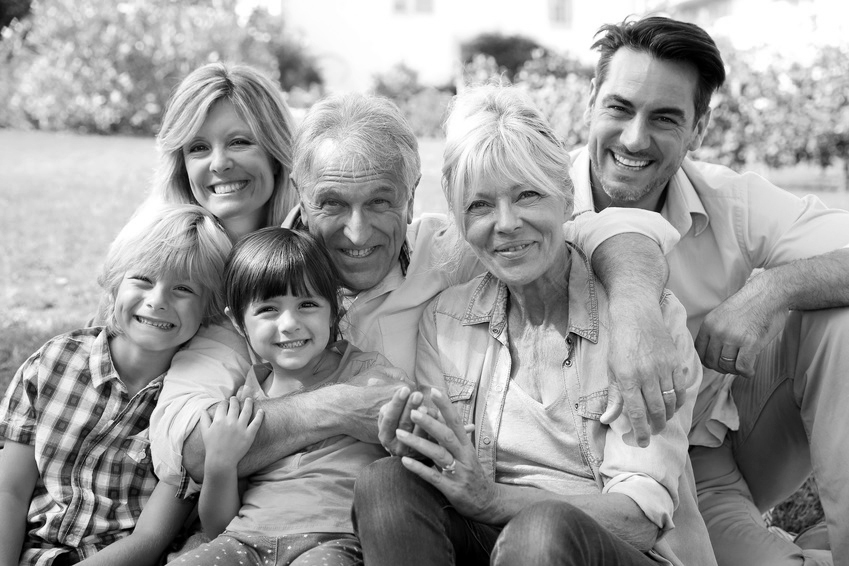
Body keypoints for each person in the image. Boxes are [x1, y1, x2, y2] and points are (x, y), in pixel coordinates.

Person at [352, 84, 713, 566]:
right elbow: (453, 476)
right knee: (386, 482)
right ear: (458, 219)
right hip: (494, 541)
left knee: (542, 533)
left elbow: (639, 519)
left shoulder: (643, 324)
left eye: (527, 195)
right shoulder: (447, 320)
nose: (506, 223)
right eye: (480, 205)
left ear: (566, 197)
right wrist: (419, 451)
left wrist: (492, 501)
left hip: (611, 550)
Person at [569, 16, 849, 565]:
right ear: (591, 102)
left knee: (841, 321)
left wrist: (774, 289)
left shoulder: (731, 201)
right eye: (620, 108)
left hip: (706, 458)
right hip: (576, 466)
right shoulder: (534, 200)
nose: (634, 138)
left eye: (665, 118)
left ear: (698, 129)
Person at [0, 204, 232, 566]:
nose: (157, 300)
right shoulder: (52, 364)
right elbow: (9, 491)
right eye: (142, 279)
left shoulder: (190, 408)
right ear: (115, 282)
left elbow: (150, 538)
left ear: (210, 307)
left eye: (183, 289)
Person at [169, 228, 404, 566]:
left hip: (332, 541)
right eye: (268, 309)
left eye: (307, 304)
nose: (290, 323)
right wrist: (220, 463)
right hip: (245, 541)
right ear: (238, 323)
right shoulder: (247, 399)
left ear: (334, 310)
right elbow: (218, 525)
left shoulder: (368, 375)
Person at [149, 62, 298, 242]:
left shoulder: (321, 256)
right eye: (199, 148)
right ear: (182, 167)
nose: (219, 164)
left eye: (238, 142)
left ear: (275, 156)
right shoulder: (152, 260)